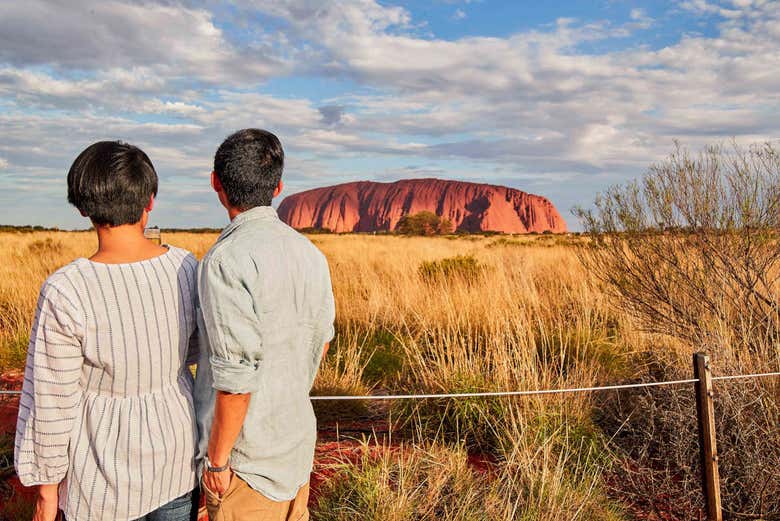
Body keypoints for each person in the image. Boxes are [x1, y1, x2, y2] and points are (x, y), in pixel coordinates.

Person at [14, 141, 200, 521]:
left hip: (97, 479)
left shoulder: (66, 289)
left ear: (82, 207)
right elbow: (196, 351)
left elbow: (51, 402)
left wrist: (47, 494)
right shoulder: (185, 266)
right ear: (151, 201)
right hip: (177, 461)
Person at [193, 129, 335, 521]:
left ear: (215, 183)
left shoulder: (225, 260)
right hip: (295, 447)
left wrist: (218, 461)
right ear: (279, 186)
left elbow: (236, 377)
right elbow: (321, 342)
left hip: (247, 465)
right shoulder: (310, 253)